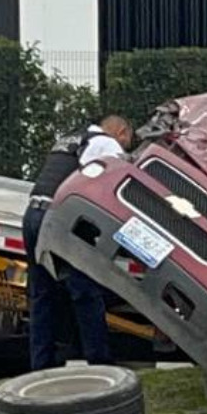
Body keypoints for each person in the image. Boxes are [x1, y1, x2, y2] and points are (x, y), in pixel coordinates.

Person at [25, 117, 134, 371]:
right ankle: (100, 362)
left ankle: (40, 366)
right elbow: (122, 185)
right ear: (121, 131)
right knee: (85, 291)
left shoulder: (70, 139)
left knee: (42, 294)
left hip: (32, 214)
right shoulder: (106, 143)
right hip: (61, 218)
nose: (127, 147)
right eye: (128, 141)